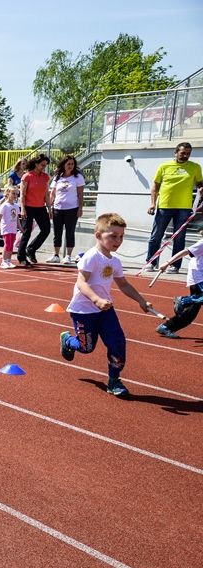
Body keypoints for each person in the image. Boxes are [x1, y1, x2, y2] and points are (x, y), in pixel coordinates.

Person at [59, 213, 153, 397]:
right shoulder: (91, 257)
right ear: (98, 235)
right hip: (84, 310)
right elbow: (81, 283)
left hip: (105, 311)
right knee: (86, 348)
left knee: (117, 342)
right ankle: (68, 340)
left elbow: (123, 284)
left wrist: (141, 300)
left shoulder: (115, 261)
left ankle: (114, 380)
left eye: (121, 236)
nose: (118, 241)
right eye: (113, 236)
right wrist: (96, 299)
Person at [146, 142, 203, 273]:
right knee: (156, 235)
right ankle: (151, 262)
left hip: (184, 208)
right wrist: (153, 204)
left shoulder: (195, 167)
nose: (185, 156)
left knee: (179, 238)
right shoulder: (164, 166)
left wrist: (201, 189)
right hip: (164, 206)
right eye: (183, 153)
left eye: (188, 154)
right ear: (176, 152)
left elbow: (200, 183)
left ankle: (174, 265)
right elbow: (155, 186)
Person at [156, 231, 203, 338]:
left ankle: (167, 327)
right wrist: (167, 263)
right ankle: (182, 300)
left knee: (191, 313)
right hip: (198, 277)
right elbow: (184, 252)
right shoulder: (202, 243)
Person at [46, 155, 85, 264]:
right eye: (68, 164)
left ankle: (68, 255)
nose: (70, 166)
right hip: (58, 208)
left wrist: (80, 208)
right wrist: (50, 207)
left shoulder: (78, 177)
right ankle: (56, 255)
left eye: (72, 164)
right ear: (63, 164)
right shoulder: (58, 176)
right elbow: (53, 193)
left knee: (70, 232)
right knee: (57, 232)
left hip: (72, 209)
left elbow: (80, 194)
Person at [17, 153, 52, 266]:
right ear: (36, 164)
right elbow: (22, 194)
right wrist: (23, 209)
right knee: (27, 232)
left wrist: (49, 209)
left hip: (40, 207)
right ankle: (21, 257)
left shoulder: (45, 177)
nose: (44, 167)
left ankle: (31, 249)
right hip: (28, 207)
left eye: (45, 165)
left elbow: (46, 194)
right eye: (42, 165)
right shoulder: (27, 176)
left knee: (46, 229)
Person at [0, 186, 20, 269]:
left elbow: (17, 218)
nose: (15, 195)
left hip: (13, 228)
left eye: (16, 194)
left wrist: (20, 227)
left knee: (11, 246)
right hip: (6, 228)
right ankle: (3, 261)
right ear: (7, 194)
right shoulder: (4, 205)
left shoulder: (16, 206)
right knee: (7, 245)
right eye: (13, 193)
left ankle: (8, 261)